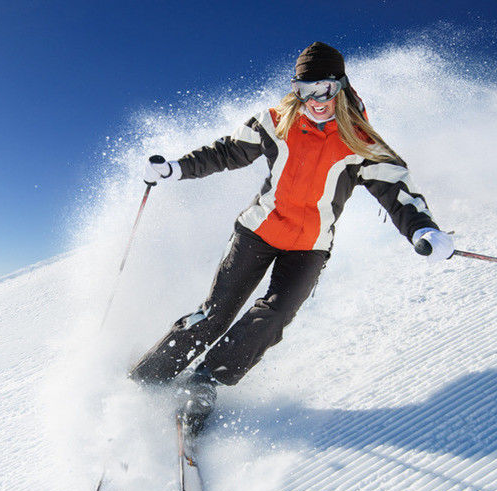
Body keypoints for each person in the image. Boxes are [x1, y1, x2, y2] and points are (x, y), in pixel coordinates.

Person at [130, 42, 454, 435]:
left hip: (309, 247)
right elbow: (226, 152)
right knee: (217, 311)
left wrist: (423, 228)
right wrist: (176, 169)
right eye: (305, 90)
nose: (315, 100)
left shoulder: (361, 142)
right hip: (259, 232)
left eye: (325, 89)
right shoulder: (276, 121)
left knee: (274, 317)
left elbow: (397, 190)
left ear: (342, 86)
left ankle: (204, 384)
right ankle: (149, 377)